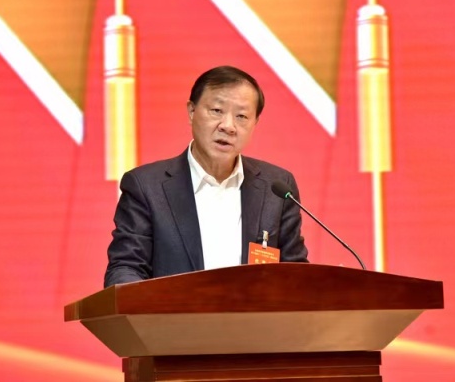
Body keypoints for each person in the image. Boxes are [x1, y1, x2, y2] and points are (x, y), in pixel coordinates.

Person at [104, 66, 308, 287]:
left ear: (255, 123)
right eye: (217, 111)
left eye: (241, 116)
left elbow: (295, 274)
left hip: (253, 311)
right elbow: (126, 267)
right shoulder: (146, 187)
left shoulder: (276, 187)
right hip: (173, 310)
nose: (228, 126)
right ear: (192, 111)